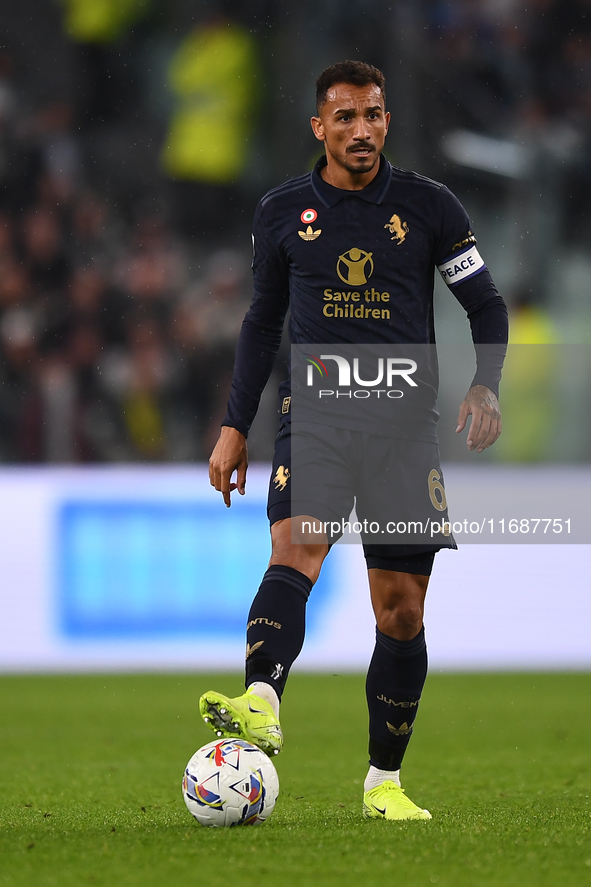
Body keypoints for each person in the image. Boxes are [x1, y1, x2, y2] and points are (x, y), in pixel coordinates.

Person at [201, 61, 508, 821]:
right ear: (319, 127)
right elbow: (260, 323)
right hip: (318, 412)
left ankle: (383, 782)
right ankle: (261, 699)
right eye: (345, 117)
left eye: (372, 115)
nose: (361, 129)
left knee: (399, 609)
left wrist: (485, 384)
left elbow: (486, 305)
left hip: (402, 425)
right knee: (295, 547)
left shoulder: (429, 206)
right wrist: (235, 423)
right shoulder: (281, 212)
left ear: (385, 121)